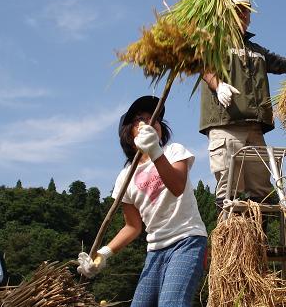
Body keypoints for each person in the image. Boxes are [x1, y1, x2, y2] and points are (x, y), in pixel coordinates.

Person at [77, 95, 208, 307]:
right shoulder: (125, 178)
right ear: (128, 133)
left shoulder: (174, 151)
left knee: (171, 303)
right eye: (141, 119)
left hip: (187, 240)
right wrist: (103, 255)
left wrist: (155, 150)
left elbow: (176, 187)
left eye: (154, 119)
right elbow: (132, 226)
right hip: (155, 250)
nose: (150, 122)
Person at [200, 0, 286, 209]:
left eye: (246, 12)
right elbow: (203, 64)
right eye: (237, 11)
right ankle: (230, 239)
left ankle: (259, 240)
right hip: (226, 125)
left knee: (261, 192)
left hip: (255, 130)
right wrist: (218, 84)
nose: (242, 16)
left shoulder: (257, 52)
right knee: (230, 193)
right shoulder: (214, 43)